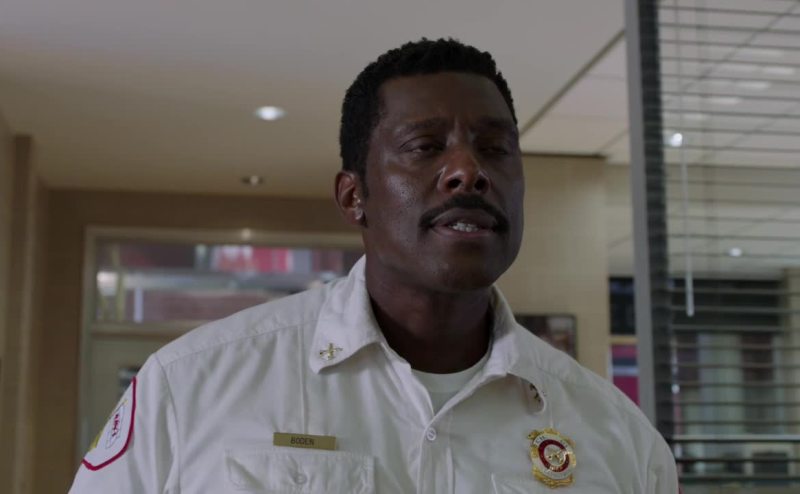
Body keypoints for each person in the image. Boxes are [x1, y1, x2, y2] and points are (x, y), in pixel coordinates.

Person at [69, 38, 678, 493]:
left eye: (495, 148)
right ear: (353, 196)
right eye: (425, 147)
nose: (469, 171)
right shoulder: (193, 385)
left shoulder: (614, 435)